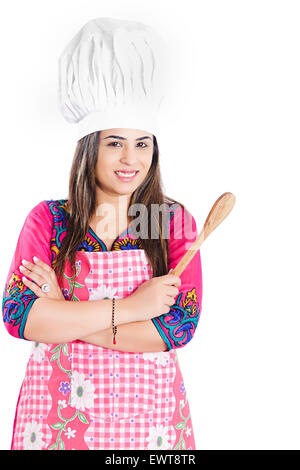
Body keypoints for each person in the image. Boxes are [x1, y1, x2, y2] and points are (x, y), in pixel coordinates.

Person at [2, 18, 203, 451]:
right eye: (115, 143)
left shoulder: (170, 222)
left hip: (150, 427)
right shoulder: (50, 220)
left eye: (143, 143)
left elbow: (177, 328)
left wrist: (64, 315)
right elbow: (21, 318)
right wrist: (133, 307)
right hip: (54, 418)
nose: (131, 158)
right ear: (89, 147)